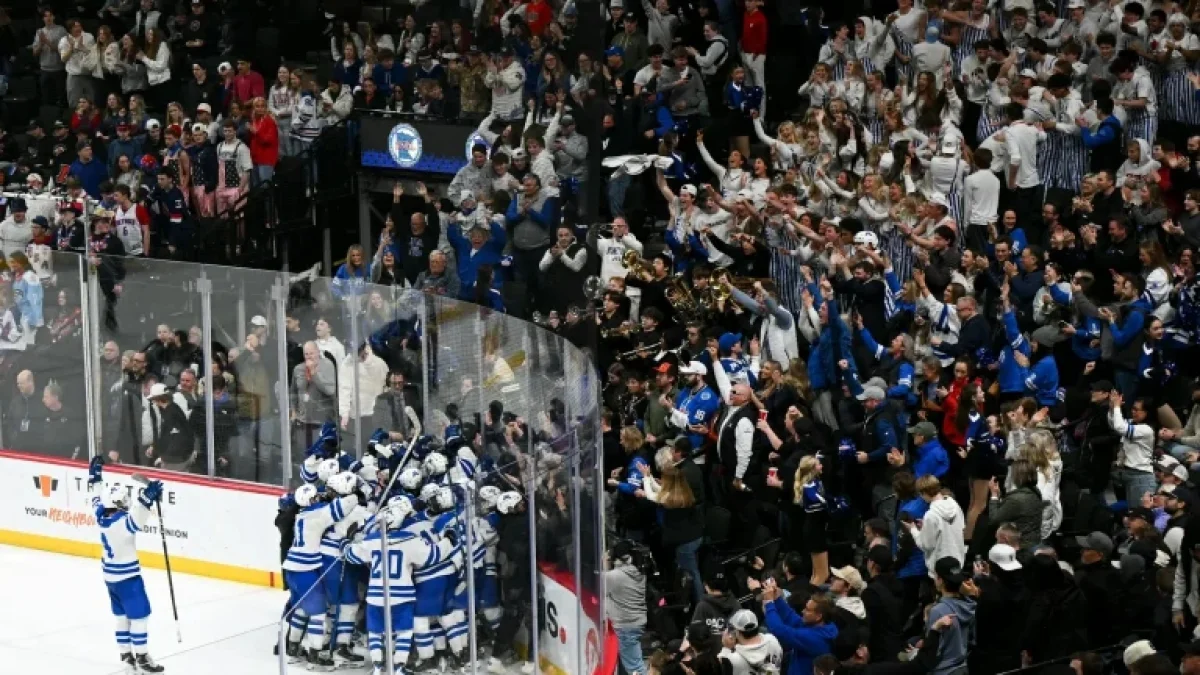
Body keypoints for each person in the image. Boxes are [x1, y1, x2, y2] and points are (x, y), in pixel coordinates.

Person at [86, 458, 166, 673]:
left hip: (110, 578)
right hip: (128, 580)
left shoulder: (100, 515)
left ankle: (125, 654)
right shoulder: (122, 524)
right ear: (121, 503)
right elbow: (137, 518)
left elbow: (95, 498)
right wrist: (148, 499)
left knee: (121, 616)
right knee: (139, 617)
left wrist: (95, 478)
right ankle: (142, 657)